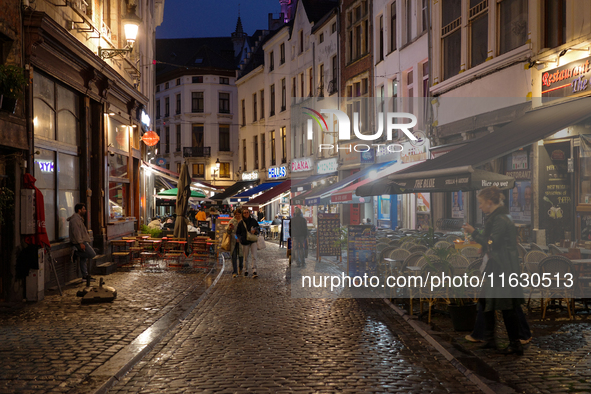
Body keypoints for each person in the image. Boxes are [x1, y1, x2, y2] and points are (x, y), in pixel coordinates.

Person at [462, 186, 526, 356]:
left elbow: (493, 242)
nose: (480, 207)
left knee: (507, 306)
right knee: (486, 301)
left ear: (490, 203)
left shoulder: (500, 219)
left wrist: (474, 233)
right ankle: (491, 339)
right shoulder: (499, 217)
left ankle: (514, 344)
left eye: (482, 203)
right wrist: (483, 246)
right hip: (500, 266)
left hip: (502, 268)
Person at [68, 203, 96, 281]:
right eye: (84, 209)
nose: (85, 210)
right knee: (91, 254)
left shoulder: (79, 219)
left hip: (82, 240)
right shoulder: (75, 220)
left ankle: (85, 276)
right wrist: (80, 242)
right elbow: (76, 232)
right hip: (80, 242)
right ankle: (76, 254)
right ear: (79, 210)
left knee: (83, 258)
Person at [236, 208, 260, 278]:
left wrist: (255, 231)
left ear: (249, 213)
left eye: (247, 212)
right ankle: (245, 270)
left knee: (254, 256)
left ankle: (254, 270)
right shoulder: (241, 223)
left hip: (253, 240)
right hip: (245, 241)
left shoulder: (253, 221)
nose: (246, 214)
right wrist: (240, 239)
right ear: (242, 214)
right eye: (244, 213)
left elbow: (258, 229)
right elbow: (237, 233)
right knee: (245, 257)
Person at [227, 209, 244, 278]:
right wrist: (230, 229)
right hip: (233, 241)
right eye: (236, 214)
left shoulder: (243, 221)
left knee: (241, 256)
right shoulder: (232, 221)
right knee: (233, 256)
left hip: (241, 241)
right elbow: (228, 232)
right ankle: (235, 272)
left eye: (239, 214)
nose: (237, 215)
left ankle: (241, 267)